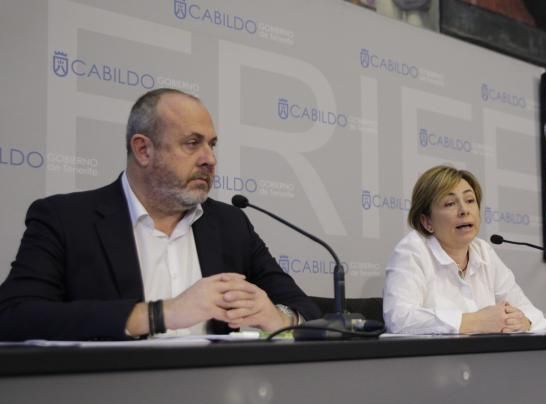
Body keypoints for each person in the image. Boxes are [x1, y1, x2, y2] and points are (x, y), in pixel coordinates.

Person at [0, 89, 320, 341]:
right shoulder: (65, 219)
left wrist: (278, 319)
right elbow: (14, 316)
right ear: (143, 150)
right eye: (192, 143)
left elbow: (309, 311)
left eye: (212, 145)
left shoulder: (230, 224)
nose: (209, 159)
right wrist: (159, 315)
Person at [383, 165, 546, 334]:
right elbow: (399, 318)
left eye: (470, 200)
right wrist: (475, 321)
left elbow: (532, 314)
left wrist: (524, 321)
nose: (464, 210)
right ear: (427, 222)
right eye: (450, 204)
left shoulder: (483, 251)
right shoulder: (412, 250)